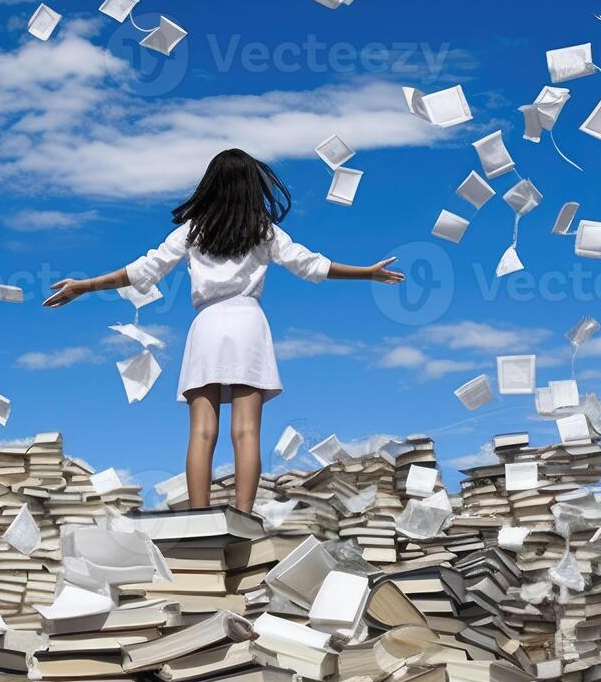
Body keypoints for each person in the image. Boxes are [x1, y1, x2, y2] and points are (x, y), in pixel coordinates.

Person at [43, 148, 404, 514]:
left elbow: (142, 271)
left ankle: (200, 517)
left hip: (207, 326)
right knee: (246, 432)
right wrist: (367, 272)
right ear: (252, 186)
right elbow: (310, 265)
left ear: (210, 185)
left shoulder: (193, 231)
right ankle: (243, 516)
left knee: (201, 432)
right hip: (248, 324)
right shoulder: (264, 230)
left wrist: (84, 285)